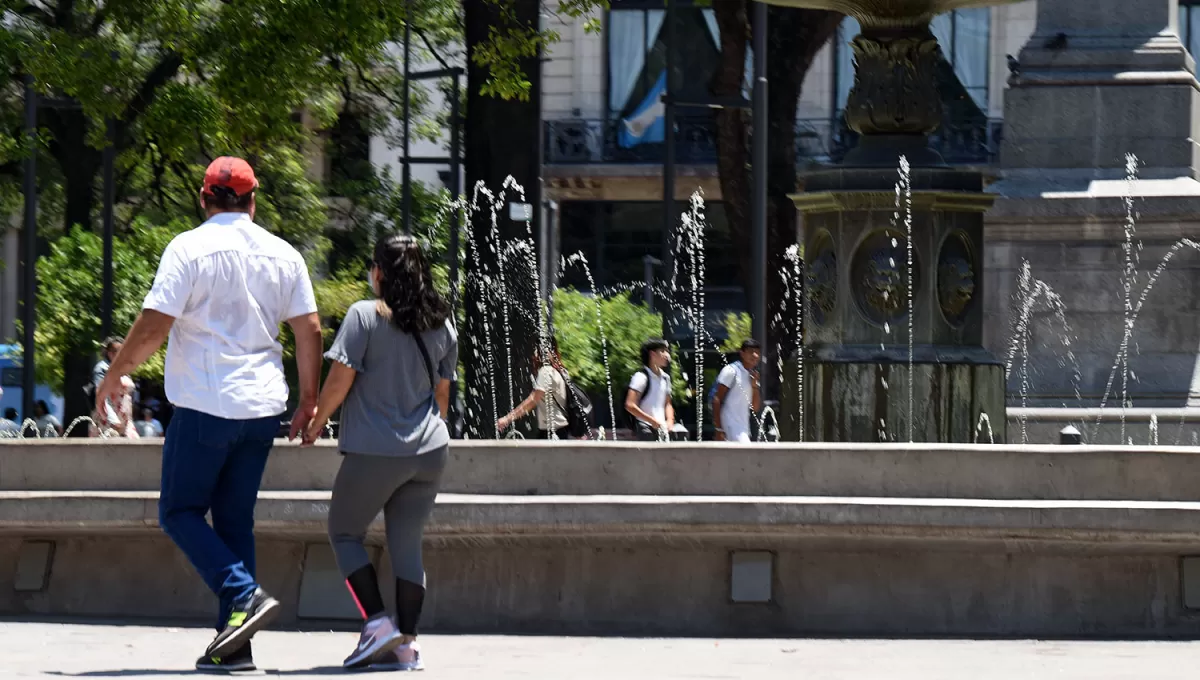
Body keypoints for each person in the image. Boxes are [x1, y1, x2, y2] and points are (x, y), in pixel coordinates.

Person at [95, 156, 323, 672]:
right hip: (263, 408)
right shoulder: (284, 254)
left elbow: (155, 323)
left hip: (204, 404)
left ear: (204, 199)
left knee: (178, 512)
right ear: (253, 201)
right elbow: (308, 327)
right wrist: (309, 399)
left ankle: (244, 595)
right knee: (235, 520)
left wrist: (116, 375)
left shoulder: (188, 247)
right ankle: (235, 650)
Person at [301, 234, 456, 671]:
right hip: (430, 451)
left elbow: (339, 380)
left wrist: (316, 422)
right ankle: (407, 647)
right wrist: (426, 432)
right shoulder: (442, 323)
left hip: (375, 449)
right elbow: (442, 394)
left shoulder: (364, 316)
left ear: (380, 272)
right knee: (407, 546)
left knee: (345, 533)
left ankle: (377, 625)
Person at [496, 337, 570, 439]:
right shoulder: (559, 371)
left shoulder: (546, 371)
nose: (534, 355)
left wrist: (507, 419)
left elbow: (533, 400)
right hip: (560, 430)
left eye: (536, 350)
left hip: (552, 432)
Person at [712, 339, 763, 442]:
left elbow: (755, 408)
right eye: (750, 352)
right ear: (742, 353)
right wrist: (719, 429)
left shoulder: (753, 375)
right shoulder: (731, 371)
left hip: (743, 428)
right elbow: (716, 399)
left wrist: (754, 386)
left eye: (757, 352)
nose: (755, 355)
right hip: (730, 427)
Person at [625, 338, 674, 441]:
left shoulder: (666, 378)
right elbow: (630, 405)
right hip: (645, 427)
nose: (667, 355)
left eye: (667, 351)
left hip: (661, 428)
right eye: (662, 351)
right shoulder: (641, 377)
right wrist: (651, 421)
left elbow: (668, 403)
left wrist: (670, 420)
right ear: (652, 354)